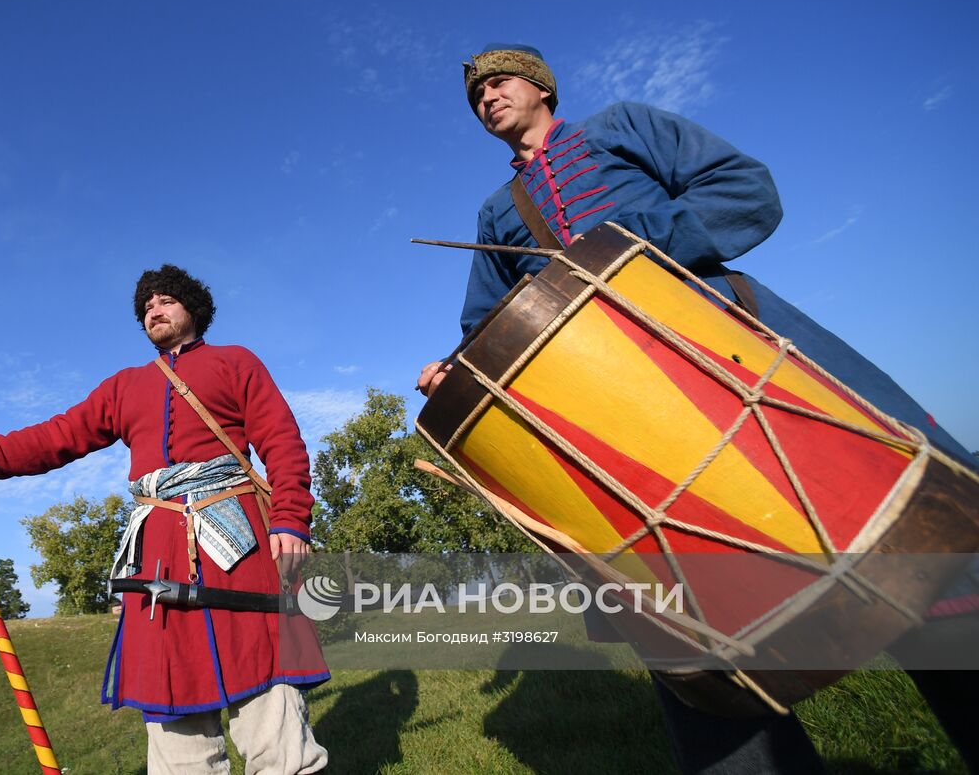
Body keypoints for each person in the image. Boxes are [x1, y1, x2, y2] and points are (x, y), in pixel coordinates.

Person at [417, 43, 978, 773]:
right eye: (476, 94)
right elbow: (485, 324)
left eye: (500, 80)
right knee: (687, 639)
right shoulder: (496, 211)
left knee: (918, 553)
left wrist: (629, 248)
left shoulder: (621, 127)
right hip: (621, 421)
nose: (487, 95)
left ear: (541, 88)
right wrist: (456, 368)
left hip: (736, 353)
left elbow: (745, 190)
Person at [0, 265, 329, 774]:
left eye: (165, 301)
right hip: (156, 556)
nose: (154, 311)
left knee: (267, 685)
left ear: (193, 308)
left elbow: (283, 443)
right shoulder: (126, 386)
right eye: (146, 308)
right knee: (172, 698)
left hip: (239, 545)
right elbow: (53, 438)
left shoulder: (236, 362)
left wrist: (289, 519)